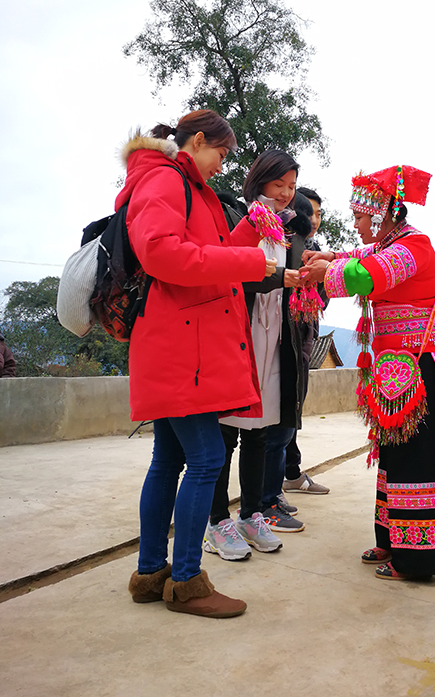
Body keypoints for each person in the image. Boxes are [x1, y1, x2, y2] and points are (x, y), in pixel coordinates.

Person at [124, 109, 276, 618]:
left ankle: (151, 574)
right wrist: (254, 261)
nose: (222, 164)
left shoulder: (183, 185)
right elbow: (165, 255)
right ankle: (186, 580)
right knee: (207, 459)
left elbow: (208, 257)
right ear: (199, 140)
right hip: (179, 348)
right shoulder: (165, 180)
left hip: (176, 345)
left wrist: (251, 232)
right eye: (222, 153)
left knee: (169, 461)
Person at [301, 165, 435, 581]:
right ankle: (391, 539)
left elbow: (369, 274)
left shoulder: (415, 246)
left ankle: (418, 559)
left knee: (416, 459)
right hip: (398, 372)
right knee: (394, 456)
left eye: (358, 216)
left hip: (419, 370)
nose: (355, 225)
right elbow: (358, 259)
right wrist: (330, 257)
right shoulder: (391, 244)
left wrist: (328, 272)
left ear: (381, 213)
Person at [205, 149, 314, 563]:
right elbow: (226, 274)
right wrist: (273, 278)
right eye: (278, 186)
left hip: (273, 342)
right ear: (261, 182)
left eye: (290, 187)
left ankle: (250, 513)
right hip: (241, 336)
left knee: (260, 431)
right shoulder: (245, 219)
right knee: (226, 434)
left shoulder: (286, 229)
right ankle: (217, 521)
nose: (286, 194)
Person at [282, 186, 330, 495]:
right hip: (286, 336)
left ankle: (291, 472)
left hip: (304, 336)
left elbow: (322, 300)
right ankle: (284, 478)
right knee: (285, 410)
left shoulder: (314, 250)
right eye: (308, 212)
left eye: (317, 213)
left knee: (294, 407)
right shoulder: (287, 245)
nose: (313, 219)